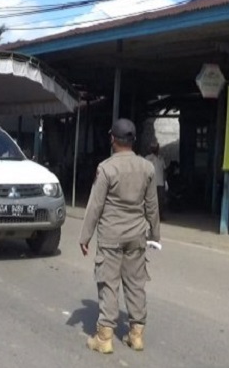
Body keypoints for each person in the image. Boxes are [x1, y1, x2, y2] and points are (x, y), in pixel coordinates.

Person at [79, 118, 161, 355]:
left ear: (113, 139)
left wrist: (85, 236)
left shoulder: (106, 168)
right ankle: (136, 335)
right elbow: (152, 206)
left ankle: (104, 338)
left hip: (111, 236)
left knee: (108, 284)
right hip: (137, 236)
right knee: (136, 284)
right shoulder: (147, 168)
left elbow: (95, 205)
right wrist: (155, 235)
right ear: (133, 140)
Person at [145, 141, 168, 220]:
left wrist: (165, 181)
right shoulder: (147, 158)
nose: (155, 149)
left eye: (156, 148)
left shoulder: (161, 158)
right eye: (153, 148)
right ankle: (151, 216)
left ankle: (160, 215)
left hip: (160, 183)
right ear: (151, 149)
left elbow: (164, 170)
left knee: (161, 200)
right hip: (151, 183)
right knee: (151, 201)